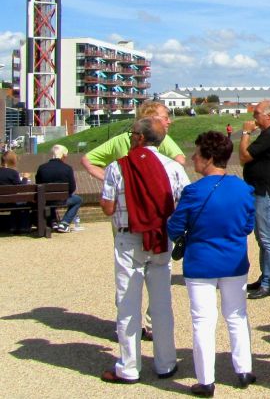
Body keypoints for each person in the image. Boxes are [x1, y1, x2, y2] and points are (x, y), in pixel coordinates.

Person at [99, 117, 190, 384]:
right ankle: (166, 362)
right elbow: (185, 202)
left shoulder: (118, 167)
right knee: (161, 304)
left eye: (132, 135)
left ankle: (129, 367)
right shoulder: (173, 167)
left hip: (129, 238)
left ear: (139, 138)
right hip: (161, 238)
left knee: (128, 303)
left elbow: (107, 207)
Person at [167, 132, 256, 396]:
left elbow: (175, 228)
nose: (193, 158)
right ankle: (244, 369)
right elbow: (248, 225)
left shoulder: (194, 191)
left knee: (203, 320)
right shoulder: (243, 189)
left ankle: (206, 379)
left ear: (208, 158)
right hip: (233, 260)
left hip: (201, 261)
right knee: (237, 315)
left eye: (196, 154)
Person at [240, 100, 270, 300]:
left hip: (266, 192)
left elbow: (244, 156)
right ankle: (265, 278)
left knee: (268, 239)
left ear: (269, 116)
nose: (253, 117)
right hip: (262, 190)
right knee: (262, 238)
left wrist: (245, 133)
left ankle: (269, 283)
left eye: (257, 113)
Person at [81, 100, 186, 180]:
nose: (169, 121)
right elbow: (180, 160)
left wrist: (111, 181)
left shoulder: (119, 140)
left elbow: (87, 160)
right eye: (165, 118)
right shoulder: (162, 138)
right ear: (152, 119)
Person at [35, 144, 82, 234]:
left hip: (46, 200)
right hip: (62, 199)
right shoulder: (67, 168)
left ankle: (53, 222)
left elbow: (38, 185)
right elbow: (72, 188)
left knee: (49, 197)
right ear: (63, 155)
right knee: (78, 200)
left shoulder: (42, 168)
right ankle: (64, 223)